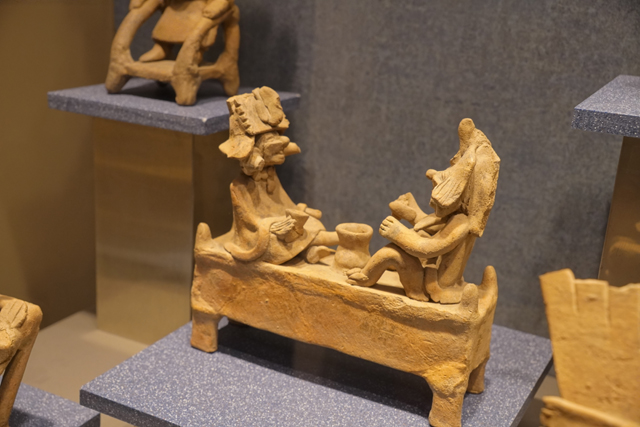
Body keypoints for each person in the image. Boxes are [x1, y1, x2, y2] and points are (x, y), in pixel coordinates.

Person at [347, 118, 500, 303]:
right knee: (407, 243)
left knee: (391, 254)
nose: (433, 207)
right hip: (427, 270)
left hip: (429, 286)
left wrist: (398, 233)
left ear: (462, 199)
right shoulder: (455, 215)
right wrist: (409, 210)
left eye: (439, 204)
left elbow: (427, 249)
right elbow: (428, 225)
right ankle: (368, 272)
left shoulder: (461, 223)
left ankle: (367, 278)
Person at [217, 87, 338, 265]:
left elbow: (284, 203)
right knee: (277, 240)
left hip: (278, 220)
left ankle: (310, 250)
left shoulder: (271, 175)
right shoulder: (238, 186)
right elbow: (249, 221)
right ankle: (316, 244)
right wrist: (272, 225)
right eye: (273, 149)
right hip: (255, 234)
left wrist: (300, 210)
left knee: (311, 223)